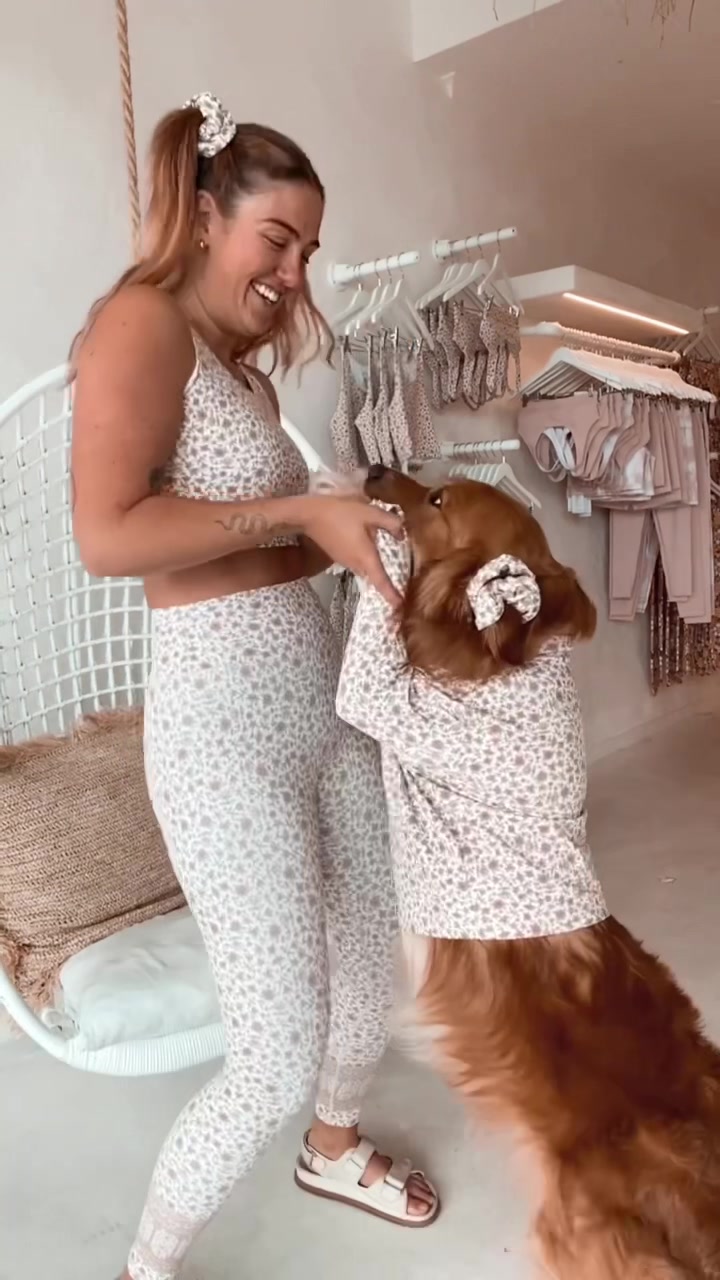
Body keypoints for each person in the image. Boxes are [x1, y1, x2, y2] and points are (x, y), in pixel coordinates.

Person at [70, 92, 439, 1280]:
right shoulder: (142, 324)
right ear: (203, 215)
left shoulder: (243, 375)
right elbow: (109, 534)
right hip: (224, 736)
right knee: (273, 1052)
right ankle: (147, 1264)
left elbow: (262, 547)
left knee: (372, 967)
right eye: (276, 240)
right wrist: (296, 508)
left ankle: (333, 1147)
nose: (294, 273)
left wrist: (352, 534)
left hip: (326, 713)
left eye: (309, 250)